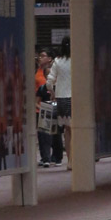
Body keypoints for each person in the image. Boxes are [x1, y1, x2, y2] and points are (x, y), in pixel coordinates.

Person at [46, 36, 72, 170]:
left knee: (67, 130)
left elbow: (49, 81)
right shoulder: (78, 60)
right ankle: (79, 159)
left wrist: (53, 92)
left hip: (62, 99)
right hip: (77, 98)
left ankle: (70, 161)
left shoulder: (57, 61)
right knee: (78, 129)